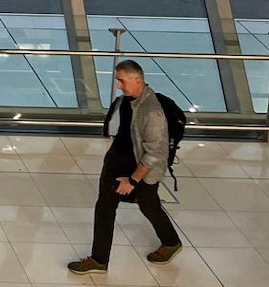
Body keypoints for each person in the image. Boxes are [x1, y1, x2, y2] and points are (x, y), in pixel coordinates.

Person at [68, 60, 183, 276]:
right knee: (105, 206)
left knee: (148, 205)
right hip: (116, 161)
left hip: (140, 169)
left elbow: (155, 154)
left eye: (121, 81)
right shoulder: (126, 101)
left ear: (137, 80)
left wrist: (132, 180)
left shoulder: (152, 112)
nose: (118, 85)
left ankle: (171, 242)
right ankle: (99, 260)